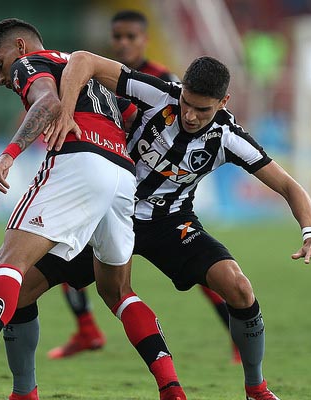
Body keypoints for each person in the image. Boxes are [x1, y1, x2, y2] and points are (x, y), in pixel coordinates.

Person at [0, 18, 187, 400]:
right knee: (117, 291)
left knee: (8, 263)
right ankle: (171, 388)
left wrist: (8, 156)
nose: (0, 77)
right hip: (122, 176)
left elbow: (48, 103)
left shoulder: (33, 63)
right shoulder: (93, 79)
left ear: (21, 47)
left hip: (79, 162)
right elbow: (133, 120)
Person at [48, 51, 311, 399]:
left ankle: (256, 388)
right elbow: (84, 61)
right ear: (181, 89)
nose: (190, 115)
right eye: (187, 103)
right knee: (21, 291)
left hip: (170, 223)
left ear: (223, 102)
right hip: (108, 212)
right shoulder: (159, 94)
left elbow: (290, 186)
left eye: (203, 109)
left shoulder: (229, 136)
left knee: (240, 288)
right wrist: (65, 112)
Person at [49, 10, 240, 363]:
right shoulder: (101, 74)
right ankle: (87, 329)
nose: (122, 43)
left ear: (144, 40)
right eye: (117, 36)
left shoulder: (167, 85)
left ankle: (235, 335)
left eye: (130, 37)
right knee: (65, 246)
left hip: (156, 203)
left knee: (202, 271)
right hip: (111, 188)